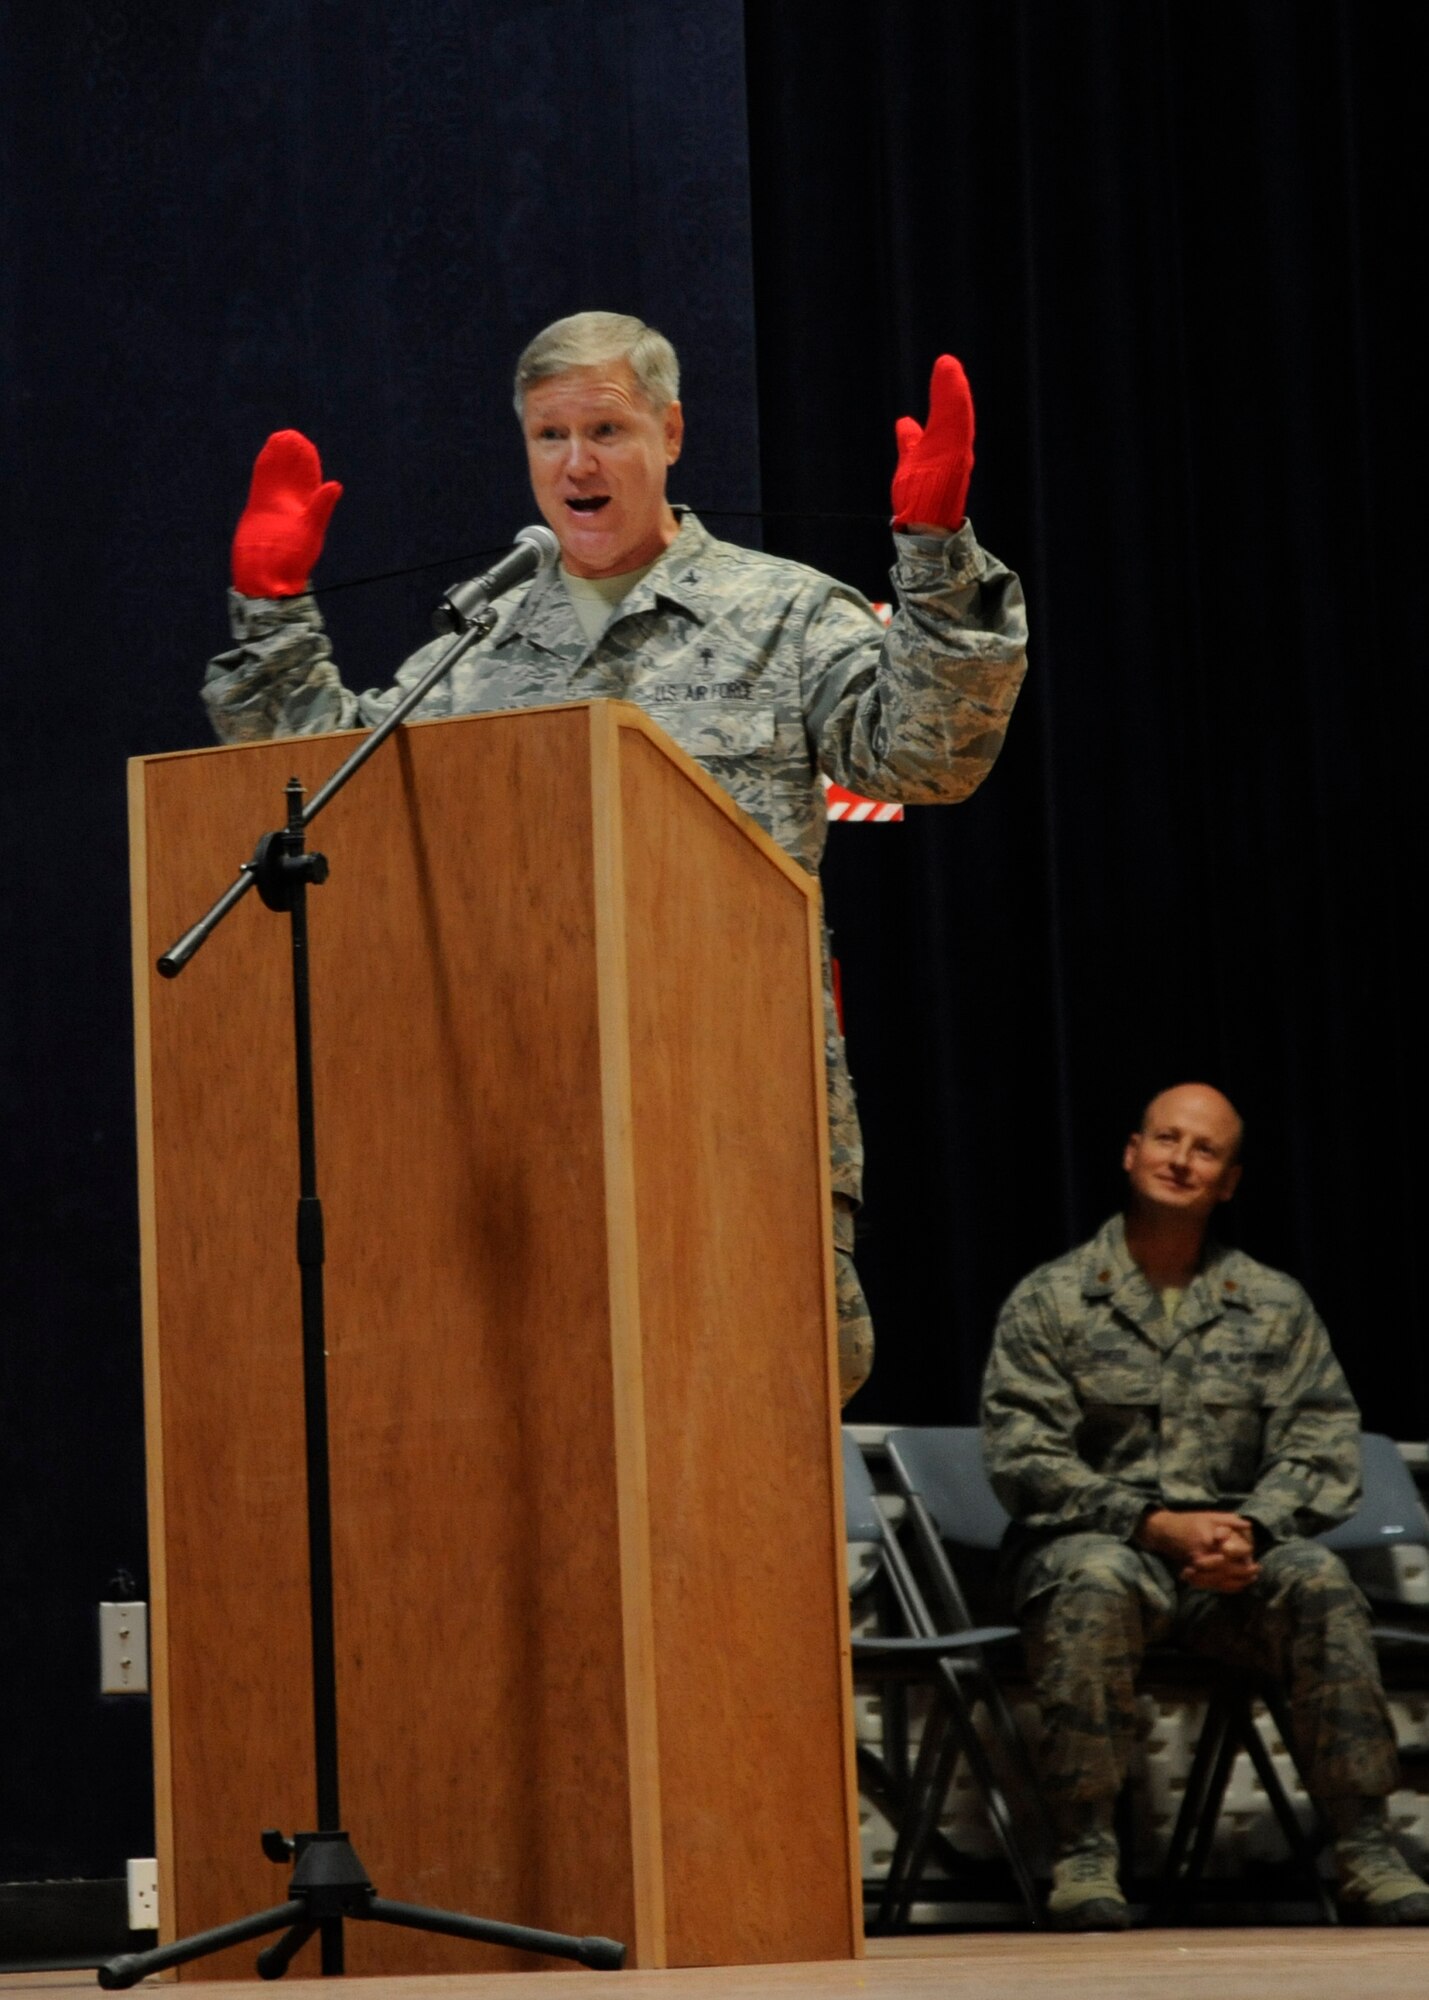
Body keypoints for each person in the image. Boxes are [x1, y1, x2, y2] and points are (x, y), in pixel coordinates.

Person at [203, 311, 1029, 1405]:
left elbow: (927, 756)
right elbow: (323, 797)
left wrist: (936, 555)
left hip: (734, 1108)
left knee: (744, 1415)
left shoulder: (778, 611)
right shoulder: (482, 638)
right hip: (507, 1126)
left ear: (672, 432)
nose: (577, 463)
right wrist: (273, 617)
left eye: (606, 427)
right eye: (550, 436)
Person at [981, 1082, 1429, 1928]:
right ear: (1130, 1151)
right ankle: (1084, 1855)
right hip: (1101, 1549)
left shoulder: (1272, 1304)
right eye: (1165, 1139)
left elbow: (1322, 1446)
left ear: (1228, 1181)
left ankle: (1366, 1849)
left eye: (1204, 1150)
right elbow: (1023, 1458)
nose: (1180, 1159)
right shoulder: (1053, 1299)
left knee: (1320, 1583)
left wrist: (1247, 1530)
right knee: (1093, 1579)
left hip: (1233, 1566)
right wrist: (1151, 1523)